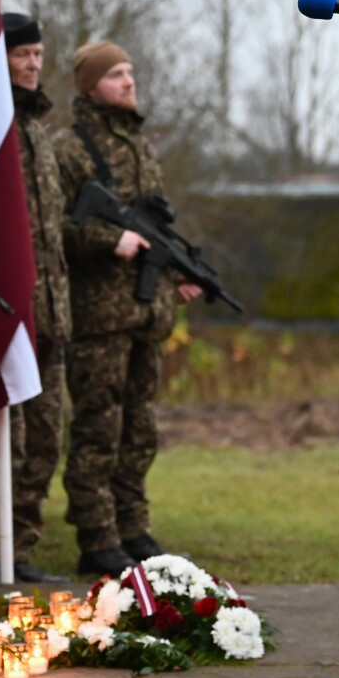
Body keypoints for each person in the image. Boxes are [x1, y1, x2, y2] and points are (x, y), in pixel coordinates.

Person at [54, 41, 201, 577]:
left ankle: (133, 528)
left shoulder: (141, 144)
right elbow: (54, 233)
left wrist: (177, 269)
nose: (128, 81)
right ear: (90, 85)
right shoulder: (68, 150)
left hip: (145, 313)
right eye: (115, 74)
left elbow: (153, 227)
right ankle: (97, 536)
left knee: (140, 428)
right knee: (98, 426)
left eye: (130, 72)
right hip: (98, 317)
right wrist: (105, 239)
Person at [0, 13, 70, 584]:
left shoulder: (38, 132)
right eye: (22, 55)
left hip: (51, 312)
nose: (33, 65)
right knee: (4, 439)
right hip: (8, 310)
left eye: (38, 55)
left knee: (45, 441)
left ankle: (20, 548)